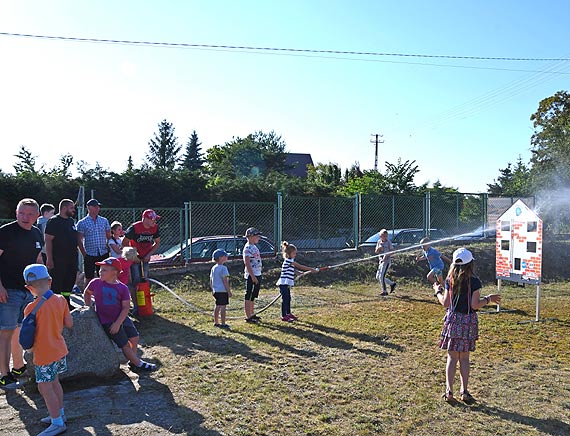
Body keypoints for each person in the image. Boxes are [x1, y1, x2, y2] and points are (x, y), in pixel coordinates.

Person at [434, 247, 501, 404]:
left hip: (453, 320)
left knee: (451, 356)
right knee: (464, 357)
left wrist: (437, 291)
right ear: (471, 263)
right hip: (468, 321)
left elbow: (445, 303)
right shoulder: (475, 281)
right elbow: (475, 304)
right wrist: (488, 299)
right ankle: (464, 391)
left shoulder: (450, 280)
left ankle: (449, 391)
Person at [22, 264, 72, 436]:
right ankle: (60, 413)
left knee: (45, 388)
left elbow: (28, 335)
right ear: (50, 281)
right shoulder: (61, 300)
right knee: (55, 382)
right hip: (59, 349)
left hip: (44, 353)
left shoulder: (30, 308)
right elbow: (69, 324)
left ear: (29, 287)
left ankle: (57, 422)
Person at [83, 257, 157, 372]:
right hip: (107, 321)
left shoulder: (122, 288)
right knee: (125, 345)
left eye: (104, 270)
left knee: (134, 337)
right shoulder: (95, 283)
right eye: (100, 269)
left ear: (115, 272)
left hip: (121, 318)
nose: (100, 272)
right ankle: (138, 364)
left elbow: (126, 307)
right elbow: (87, 293)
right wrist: (88, 308)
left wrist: (118, 323)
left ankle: (132, 362)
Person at [0, 198, 43, 389]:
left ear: (37, 216)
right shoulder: (5, 232)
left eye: (30, 214)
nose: (25, 217)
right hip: (7, 290)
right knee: (5, 333)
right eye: (22, 213)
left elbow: (37, 260)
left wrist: (42, 285)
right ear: (16, 213)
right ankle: (4, 374)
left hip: (27, 291)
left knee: (20, 330)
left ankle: (18, 367)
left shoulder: (36, 233)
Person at [121, 209, 161, 314]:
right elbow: (124, 243)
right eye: (153, 219)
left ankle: (145, 305)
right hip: (135, 259)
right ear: (146, 219)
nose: (154, 222)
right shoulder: (134, 228)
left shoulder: (155, 228)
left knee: (145, 280)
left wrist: (149, 254)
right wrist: (134, 256)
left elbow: (157, 243)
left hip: (145, 258)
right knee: (135, 281)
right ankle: (136, 307)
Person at [45, 199, 78, 309]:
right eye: (71, 208)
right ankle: (55, 305)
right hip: (58, 259)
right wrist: (49, 258)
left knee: (69, 281)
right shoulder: (54, 221)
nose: (74, 210)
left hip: (71, 258)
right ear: (64, 208)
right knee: (57, 282)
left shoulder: (70, 221)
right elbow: (48, 240)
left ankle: (66, 303)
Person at [276, 241, 318, 322]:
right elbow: (300, 266)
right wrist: (311, 269)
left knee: (288, 298)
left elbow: (292, 269)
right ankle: (284, 316)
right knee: (285, 299)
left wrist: (297, 272)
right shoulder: (289, 260)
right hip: (283, 283)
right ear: (289, 254)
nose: (295, 254)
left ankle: (288, 314)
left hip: (287, 283)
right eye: (294, 253)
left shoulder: (290, 261)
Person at [76, 199, 111, 283]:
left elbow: (108, 236)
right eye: (95, 206)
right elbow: (79, 240)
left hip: (103, 252)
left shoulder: (104, 221)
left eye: (98, 207)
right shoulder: (82, 223)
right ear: (88, 207)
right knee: (89, 276)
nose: (97, 208)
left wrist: (109, 248)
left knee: (104, 275)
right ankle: (87, 294)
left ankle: (102, 294)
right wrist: (84, 254)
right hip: (90, 253)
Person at [243, 227, 263, 323]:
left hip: (257, 273)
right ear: (251, 237)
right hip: (252, 275)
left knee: (253, 295)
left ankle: (252, 313)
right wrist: (253, 276)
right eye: (257, 236)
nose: (258, 238)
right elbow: (247, 263)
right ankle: (248, 316)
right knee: (249, 294)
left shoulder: (254, 247)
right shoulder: (247, 248)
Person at [210, 249, 232, 329]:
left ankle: (216, 322)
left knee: (217, 306)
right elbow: (225, 281)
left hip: (216, 290)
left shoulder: (213, 268)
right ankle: (223, 323)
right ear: (220, 257)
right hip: (223, 291)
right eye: (225, 256)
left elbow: (211, 280)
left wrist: (212, 289)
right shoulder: (223, 268)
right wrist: (228, 291)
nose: (227, 257)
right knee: (223, 307)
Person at [375, 229, 397, 296]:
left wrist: (386, 255)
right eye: (383, 236)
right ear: (380, 236)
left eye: (385, 236)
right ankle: (392, 284)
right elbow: (376, 251)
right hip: (381, 261)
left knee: (381, 276)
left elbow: (393, 251)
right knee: (378, 277)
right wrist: (379, 249)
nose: (384, 237)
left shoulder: (388, 242)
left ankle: (384, 291)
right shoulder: (379, 242)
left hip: (386, 262)